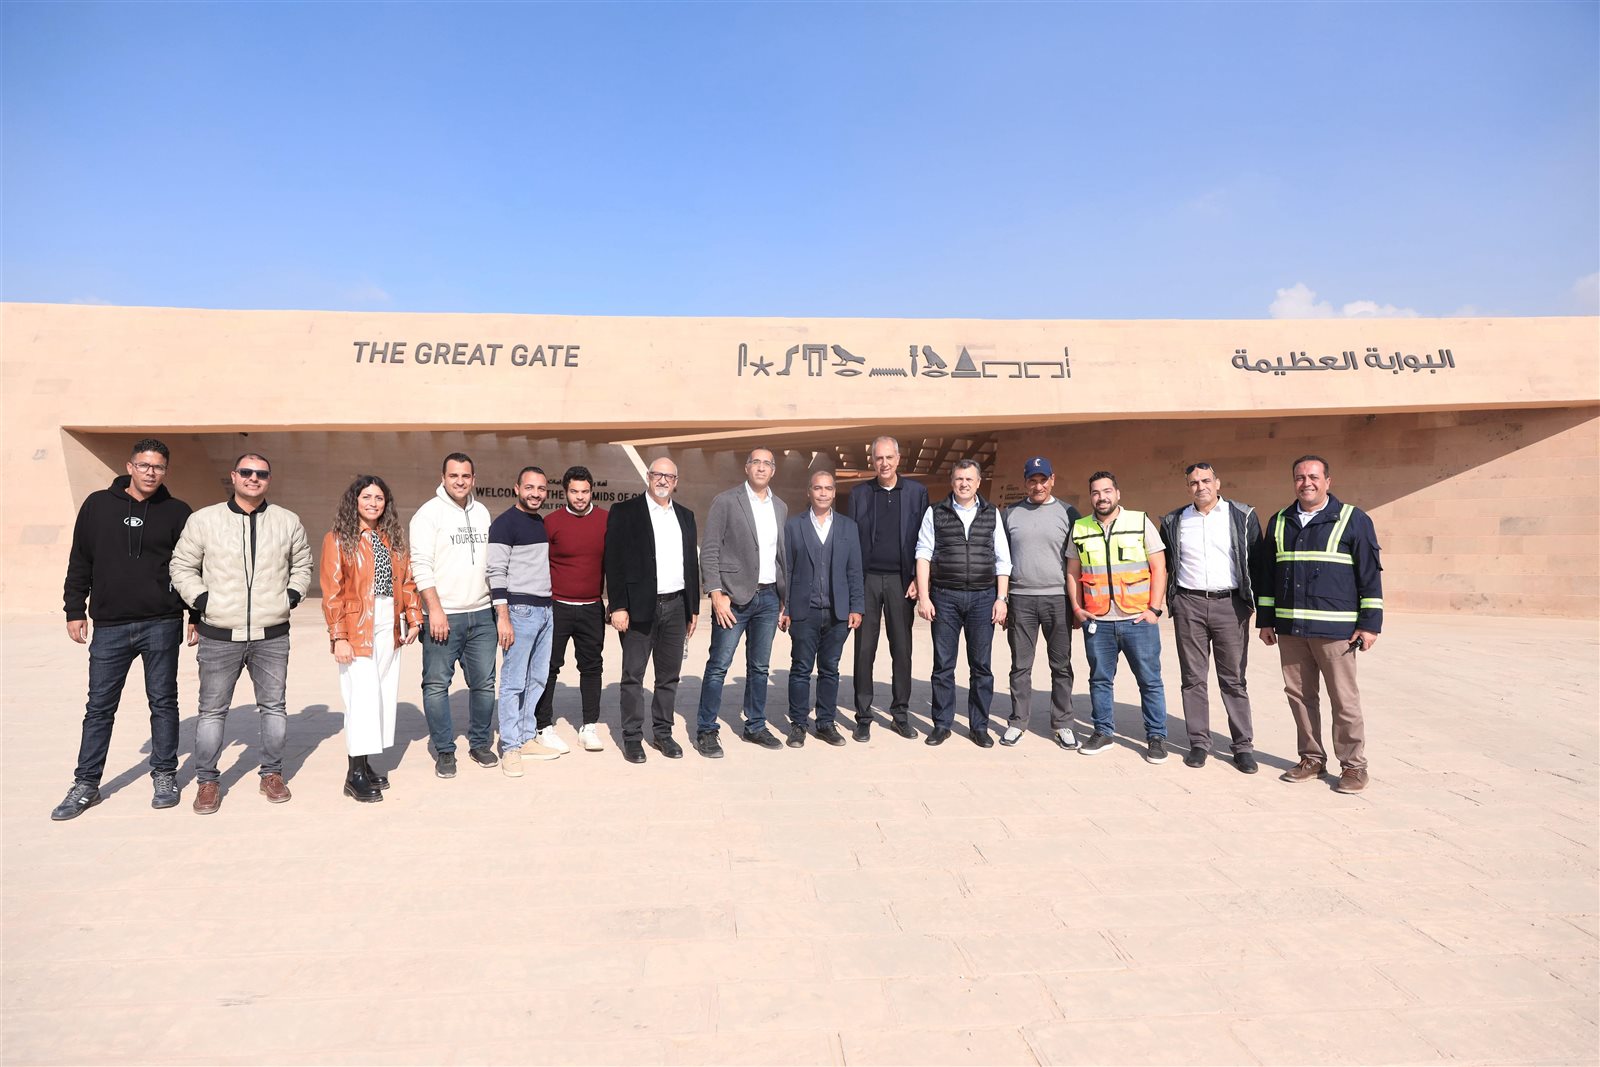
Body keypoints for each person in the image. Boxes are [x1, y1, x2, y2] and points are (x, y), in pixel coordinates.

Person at [52, 439, 195, 820]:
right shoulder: (97, 505)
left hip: (162, 622)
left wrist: (195, 614)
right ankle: (86, 783)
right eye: (144, 465)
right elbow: (80, 560)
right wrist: (74, 609)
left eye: (158, 467)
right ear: (129, 466)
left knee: (163, 702)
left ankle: (164, 774)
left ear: (165, 471)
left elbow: (192, 567)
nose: (151, 472)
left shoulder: (177, 511)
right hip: (110, 625)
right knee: (99, 707)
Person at [170, 452, 312, 814]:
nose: (253, 478)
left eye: (261, 473)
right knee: (212, 711)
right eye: (246, 472)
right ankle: (207, 781)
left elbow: (302, 564)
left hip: (271, 634)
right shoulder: (204, 520)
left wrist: (290, 596)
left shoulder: (287, 521)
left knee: (274, 707)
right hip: (219, 633)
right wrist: (203, 600)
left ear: (268, 479)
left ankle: (272, 774)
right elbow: (182, 565)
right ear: (233, 476)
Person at [1255, 454, 1383, 794]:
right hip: (1292, 630)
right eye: (1300, 477)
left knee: (1344, 699)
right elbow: (1267, 576)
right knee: (1299, 696)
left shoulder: (1353, 519)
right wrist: (1266, 620)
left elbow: (1369, 575)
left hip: (1336, 631)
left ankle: (1353, 766)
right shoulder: (1280, 520)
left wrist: (1370, 625)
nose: (1306, 483)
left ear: (1328, 481)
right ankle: (1311, 759)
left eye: (1313, 477)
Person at [319, 475, 422, 803]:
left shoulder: (392, 539)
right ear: (355, 501)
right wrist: (339, 636)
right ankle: (354, 776)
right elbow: (332, 592)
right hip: (357, 627)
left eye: (379, 498)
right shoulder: (338, 539)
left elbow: (407, 581)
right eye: (366, 497)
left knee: (381, 696)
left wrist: (414, 616)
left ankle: (364, 764)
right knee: (361, 698)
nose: (373, 503)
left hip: (389, 624)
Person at [1159, 462, 1262, 773]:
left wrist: (1257, 607)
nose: (1200, 486)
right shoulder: (1175, 520)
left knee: (1233, 679)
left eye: (1206, 480)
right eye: (1193, 482)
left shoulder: (1242, 515)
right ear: (1187, 487)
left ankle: (1242, 746)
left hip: (1230, 605)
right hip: (1189, 604)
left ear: (1218, 482)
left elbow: (1257, 562)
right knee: (1192, 678)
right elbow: (1166, 564)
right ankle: (1198, 743)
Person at [1067, 471, 1170, 764]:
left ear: (1118, 493)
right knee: (1100, 680)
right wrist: (1077, 609)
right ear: (1091, 497)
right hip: (1098, 621)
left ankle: (1156, 737)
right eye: (1096, 492)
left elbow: (1159, 568)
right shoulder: (1080, 527)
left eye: (1107, 491)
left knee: (1150, 681)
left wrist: (1154, 609)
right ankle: (1103, 732)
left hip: (1138, 619)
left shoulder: (1139, 522)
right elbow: (1072, 571)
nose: (1102, 497)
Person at [604, 456, 699, 764]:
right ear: (648, 476)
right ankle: (632, 737)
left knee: (669, 676)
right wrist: (618, 606)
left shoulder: (685, 516)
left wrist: (693, 607)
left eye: (669, 476)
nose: (662, 480)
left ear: (676, 482)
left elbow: (691, 564)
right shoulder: (625, 512)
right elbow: (613, 562)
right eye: (658, 474)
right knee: (633, 676)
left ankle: (663, 733)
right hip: (638, 608)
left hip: (676, 606)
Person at [409, 453, 498, 777]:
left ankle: (480, 744)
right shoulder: (427, 514)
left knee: (484, 685)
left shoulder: (482, 512)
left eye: (465, 476)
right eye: (453, 475)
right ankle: (445, 750)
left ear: (473, 479)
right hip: (444, 615)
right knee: (436, 686)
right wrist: (434, 610)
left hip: (482, 614)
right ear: (443, 477)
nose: (460, 481)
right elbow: (420, 565)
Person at [697, 447, 788, 755]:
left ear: (773, 470)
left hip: (769, 598)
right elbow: (710, 549)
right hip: (732, 598)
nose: (761, 467)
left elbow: (780, 556)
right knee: (719, 666)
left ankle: (755, 726)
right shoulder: (725, 501)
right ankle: (706, 729)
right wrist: (716, 593)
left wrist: (784, 598)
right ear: (747, 468)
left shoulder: (780, 507)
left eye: (767, 463)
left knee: (760, 667)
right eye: (756, 462)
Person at [915, 459, 1011, 747]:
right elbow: (923, 553)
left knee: (981, 666)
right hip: (945, 597)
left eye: (970, 479)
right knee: (943, 665)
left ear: (979, 482)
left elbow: (1003, 559)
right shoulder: (935, 512)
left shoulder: (992, 514)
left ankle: (979, 726)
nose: (964, 484)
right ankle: (942, 724)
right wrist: (924, 596)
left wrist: (1001, 598)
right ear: (952, 481)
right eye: (959, 478)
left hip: (983, 598)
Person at [848, 436, 929, 741]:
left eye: (889, 458)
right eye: (878, 458)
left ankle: (900, 714)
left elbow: (925, 540)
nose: (884, 463)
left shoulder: (917, 493)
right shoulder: (859, 494)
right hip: (867, 579)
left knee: (902, 649)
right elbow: (851, 543)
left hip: (901, 581)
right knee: (864, 651)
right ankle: (863, 716)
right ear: (873, 461)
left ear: (898, 459)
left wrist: (918, 580)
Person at [778, 470, 864, 748]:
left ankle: (826, 722)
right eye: (818, 488)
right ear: (809, 492)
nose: (823, 493)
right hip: (804, 611)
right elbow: (787, 569)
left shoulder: (848, 527)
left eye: (828, 488)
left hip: (838, 612)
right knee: (801, 668)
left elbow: (855, 570)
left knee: (830, 669)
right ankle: (798, 724)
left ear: (834, 492)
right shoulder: (794, 526)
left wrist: (857, 606)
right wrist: (785, 607)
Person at [1000, 456, 1082, 750]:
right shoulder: (1009, 514)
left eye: (1043, 480)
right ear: (1025, 483)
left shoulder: (1069, 513)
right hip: (1020, 599)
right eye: (1032, 481)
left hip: (1057, 599)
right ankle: (1018, 722)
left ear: (1052, 480)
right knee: (1020, 666)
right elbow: (1001, 560)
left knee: (1061, 665)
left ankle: (1063, 724)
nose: (1038, 486)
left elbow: (1079, 561)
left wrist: (1077, 605)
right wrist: (1003, 599)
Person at [486, 466, 563, 777]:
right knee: (514, 682)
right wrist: (503, 617)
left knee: (538, 678)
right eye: (529, 487)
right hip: (519, 611)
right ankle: (510, 747)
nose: (535, 493)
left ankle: (527, 736)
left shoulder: (540, 523)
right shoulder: (504, 524)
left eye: (541, 489)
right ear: (516, 488)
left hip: (545, 610)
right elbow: (496, 572)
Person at [534, 465, 609, 754]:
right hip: (557, 607)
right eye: (574, 491)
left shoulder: (606, 520)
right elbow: (538, 564)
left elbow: (615, 563)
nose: (580, 497)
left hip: (591, 607)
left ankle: (589, 727)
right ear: (565, 492)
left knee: (592, 666)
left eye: (585, 491)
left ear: (592, 491)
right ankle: (543, 726)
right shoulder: (551, 522)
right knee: (549, 667)